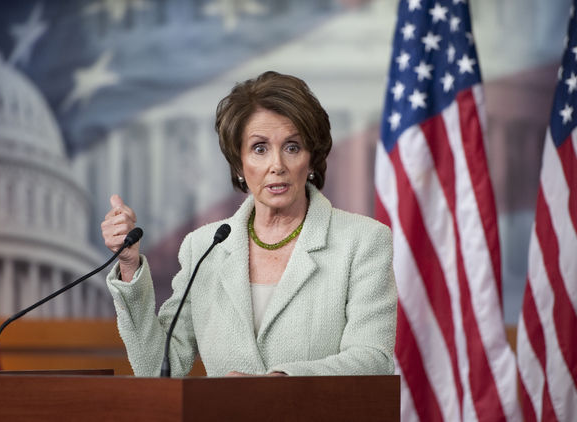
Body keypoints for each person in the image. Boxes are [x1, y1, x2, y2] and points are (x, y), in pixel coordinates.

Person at [101, 71, 397, 377]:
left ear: (311, 159)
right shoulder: (204, 247)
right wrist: (129, 264)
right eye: (259, 148)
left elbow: (372, 359)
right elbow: (159, 370)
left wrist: (276, 386)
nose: (277, 165)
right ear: (239, 163)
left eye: (292, 147)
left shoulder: (363, 240)